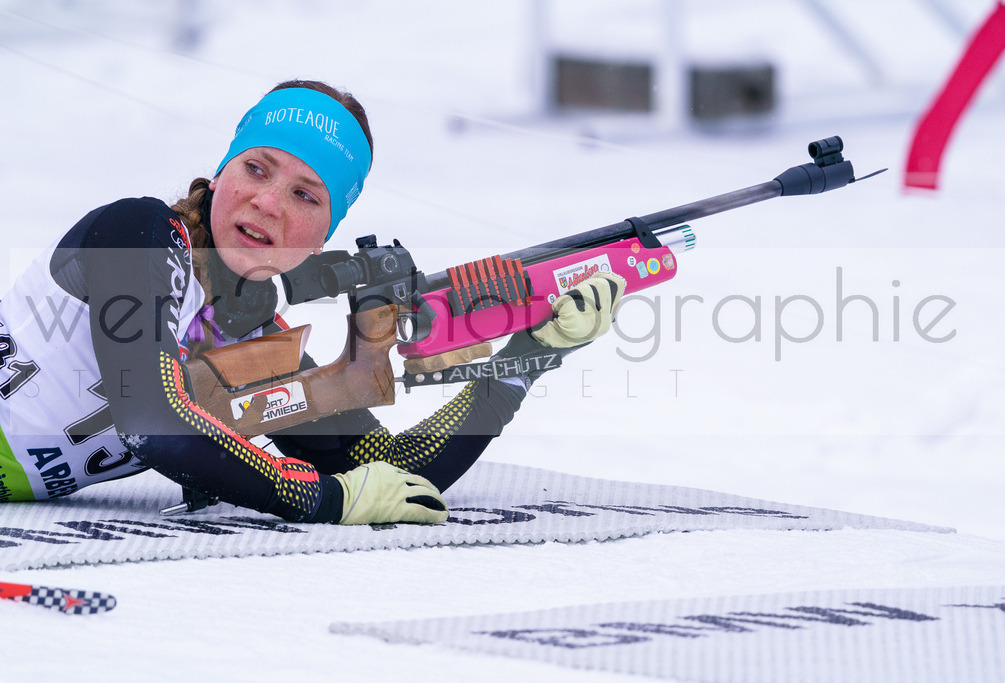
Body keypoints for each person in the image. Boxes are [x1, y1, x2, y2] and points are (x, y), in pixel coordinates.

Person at [0, 79, 624, 525]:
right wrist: (322, 500)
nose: (267, 203)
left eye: (306, 195)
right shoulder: (136, 235)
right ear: (220, 174)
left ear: (326, 233)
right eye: (257, 168)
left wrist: (530, 355)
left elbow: (394, 473)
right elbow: (156, 426)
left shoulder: (250, 336)